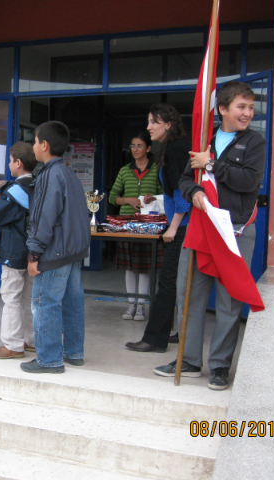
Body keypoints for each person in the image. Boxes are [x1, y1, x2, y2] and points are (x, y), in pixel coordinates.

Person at [154, 81, 266, 390]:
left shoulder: (255, 142)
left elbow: (247, 182)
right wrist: (196, 194)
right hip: (202, 228)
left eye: (250, 108)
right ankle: (189, 361)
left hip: (234, 232)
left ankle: (219, 366)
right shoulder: (206, 139)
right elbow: (185, 179)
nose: (247, 113)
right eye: (241, 107)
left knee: (229, 302)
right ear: (223, 110)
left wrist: (212, 164)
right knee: (188, 293)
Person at [21, 121, 91, 374]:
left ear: (45, 145)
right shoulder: (68, 173)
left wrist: (34, 254)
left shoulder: (49, 175)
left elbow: (43, 219)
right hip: (73, 252)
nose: (33, 146)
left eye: (35, 141)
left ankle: (49, 359)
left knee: (45, 303)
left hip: (55, 252)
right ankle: (74, 352)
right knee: (72, 301)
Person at [125, 104, 191, 353]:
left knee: (167, 283)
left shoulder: (175, 149)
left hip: (183, 226)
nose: (149, 127)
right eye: (149, 121)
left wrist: (173, 227)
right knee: (178, 282)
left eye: (154, 122)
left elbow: (183, 190)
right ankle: (174, 332)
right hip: (182, 224)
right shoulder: (173, 148)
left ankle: (154, 339)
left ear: (169, 124)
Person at [0, 142, 37, 359]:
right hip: (34, 252)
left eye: (10, 160)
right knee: (29, 298)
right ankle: (30, 341)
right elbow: (15, 211)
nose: (9, 164)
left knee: (11, 297)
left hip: (14, 251)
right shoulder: (37, 184)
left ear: (18, 163)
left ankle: (12, 344)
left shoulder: (14, 189)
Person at [108, 130, 163, 321]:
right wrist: (127, 200)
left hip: (148, 224)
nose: (135, 149)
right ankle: (131, 304)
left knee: (144, 266)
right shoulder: (124, 170)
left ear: (148, 148)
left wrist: (153, 197)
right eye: (132, 145)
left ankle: (141, 305)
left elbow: (166, 195)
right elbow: (112, 197)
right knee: (129, 266)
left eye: (140, 145)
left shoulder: (157, 169)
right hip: (127, 223)